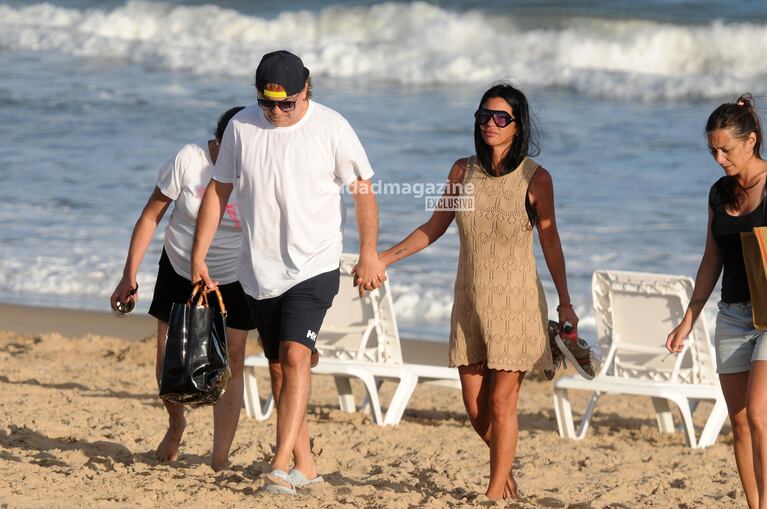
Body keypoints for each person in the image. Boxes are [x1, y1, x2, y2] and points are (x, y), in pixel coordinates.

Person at [377, 83, 583, 500]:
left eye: (501, 117)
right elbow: (434, 228)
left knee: (502, 403)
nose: (491, 123)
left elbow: (551, 242)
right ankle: (505, 480)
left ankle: (492, 495)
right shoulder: (461, 171)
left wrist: (565, 303)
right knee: (475, 409)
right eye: (484, 116)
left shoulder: (535, 179)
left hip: (517, 304)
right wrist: (382, 259)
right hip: (470, 303)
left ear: (517, 125)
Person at [191, 50, 384, 495]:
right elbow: (219, 191)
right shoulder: (241, 127)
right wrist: (199, 256)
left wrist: (369, 253)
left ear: (306, 90)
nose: (277, 112)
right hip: (259, 269)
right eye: (268, 103)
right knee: (279, 368)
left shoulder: (332, 127)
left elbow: (363, 190)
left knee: (297, 357)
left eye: (287, 104)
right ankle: (306, 464)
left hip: (314, 263)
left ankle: (278, 466)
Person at [110, 106, 255, 471]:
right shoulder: (189, 159)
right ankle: (176, 423)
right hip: (179, 266)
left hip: (234, 275)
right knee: (168, 362)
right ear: (218, 140)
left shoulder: (258, 169)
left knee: (233, 359)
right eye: (227, 149)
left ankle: (219, 457)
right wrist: (129, 275)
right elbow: (150, 215)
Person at [667, 94, 767, 509]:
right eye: (713, 150)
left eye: (726, 149)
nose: (719, 158)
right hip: (733, 315)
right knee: (740, 424)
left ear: (752, 140)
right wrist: (689, 318)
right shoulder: (718, 192)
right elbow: (711, 260)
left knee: (760, 415)